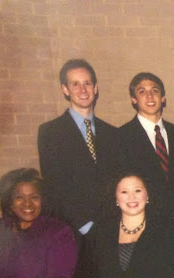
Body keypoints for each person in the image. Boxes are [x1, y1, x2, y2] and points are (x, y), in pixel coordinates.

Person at [38, 59, 122, 235]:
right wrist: (85, 226)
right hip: (74, 230)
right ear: (65, 89)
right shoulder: (50, 132)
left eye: (87, 83)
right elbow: (54, 186)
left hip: (112, 227)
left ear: (95, 88)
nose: (83, 90)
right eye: (75, 84)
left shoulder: (113, 134)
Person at [118, 72, 174, 226]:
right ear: (133, 99)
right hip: (141, 222)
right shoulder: (121, 137)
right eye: (142, 92)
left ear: (163, 98)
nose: (149, 96)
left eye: (155, 91)